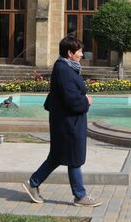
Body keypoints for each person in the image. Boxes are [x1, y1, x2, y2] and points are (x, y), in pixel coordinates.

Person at [23, 35, 102, 207]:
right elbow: (71, 99)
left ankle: (33, 183)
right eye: (79, 51)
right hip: (68, 124)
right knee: (74, 158)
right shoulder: (63, 70)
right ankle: (80, 196)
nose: (82, 54)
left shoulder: (66, 67)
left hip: (66, 122)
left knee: (58, 157)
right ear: (70, 53)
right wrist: (86, 101)